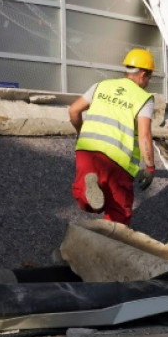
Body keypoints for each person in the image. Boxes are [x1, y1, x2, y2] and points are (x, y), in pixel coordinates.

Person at [68, 48, 157, 226]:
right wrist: (150, 167)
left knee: (86, 201)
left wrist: (81, 133)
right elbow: (145, 135)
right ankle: (110, 248)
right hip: (117, 160)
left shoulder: (101, 86)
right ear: (143, 74)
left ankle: (88, 190)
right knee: (118, 213)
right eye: (149, 78)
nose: (148, 82)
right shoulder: (144, 98)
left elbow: (74, 110)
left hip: (87, 150)